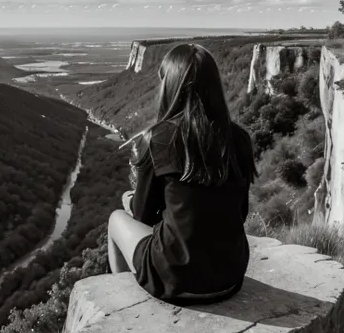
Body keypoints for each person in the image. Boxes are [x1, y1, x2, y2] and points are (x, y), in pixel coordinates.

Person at [107, 42, 257, 303]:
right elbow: (240, 213)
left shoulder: (157, 139)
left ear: (170, 86)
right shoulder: (240, 139)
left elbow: (142, 216)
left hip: (176, 280)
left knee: (116, 218)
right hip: (230, 277)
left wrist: (131, 200)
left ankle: (121, 300)